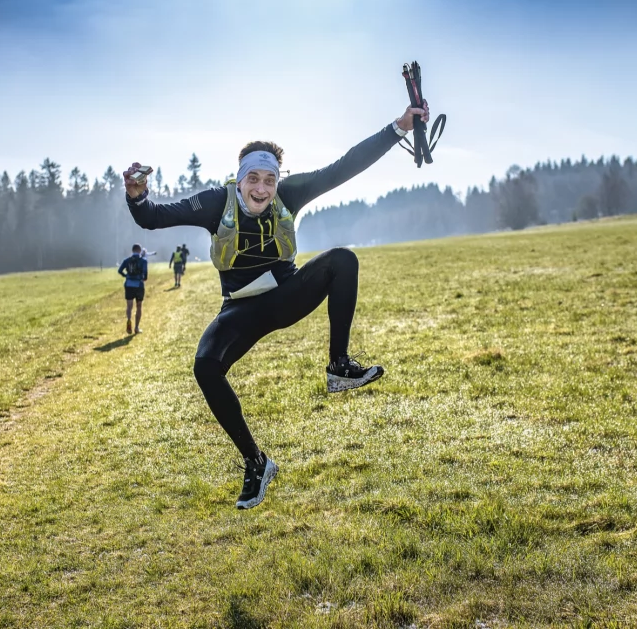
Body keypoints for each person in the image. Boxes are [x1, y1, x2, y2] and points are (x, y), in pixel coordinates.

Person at [123, 99, 430, 509]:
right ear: (239, 179)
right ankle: (256, 462)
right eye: (254, 179)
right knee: (205, 367)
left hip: (286, 296)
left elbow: (345, 167)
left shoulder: (290, 193)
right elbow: (154, 217)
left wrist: (400, 127)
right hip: (240, 309)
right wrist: (138, 196)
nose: (262, 189)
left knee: (343, 260)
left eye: (270, 179)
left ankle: (339, 366)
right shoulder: (217, 202)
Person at [117, 243, 148, 334]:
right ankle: (136, 327)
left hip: (129, 284)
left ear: (132, 250)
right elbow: (145, 275)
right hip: (139, 285)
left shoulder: (127, 260)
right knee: (139, 306)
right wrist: (142, 278)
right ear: (139, 250)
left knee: (129, 306)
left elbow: (119, 270)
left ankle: (129, 320)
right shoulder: (143, 261)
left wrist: (126, 275)